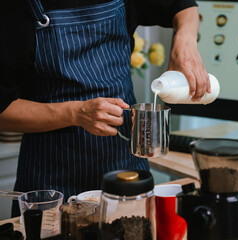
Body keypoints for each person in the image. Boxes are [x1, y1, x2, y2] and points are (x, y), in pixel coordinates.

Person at [0, 0, 210, 216]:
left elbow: (183, 5)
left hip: (125, 168)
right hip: (51, 180)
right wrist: (75, 113)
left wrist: (185, 41)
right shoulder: (15, 7)